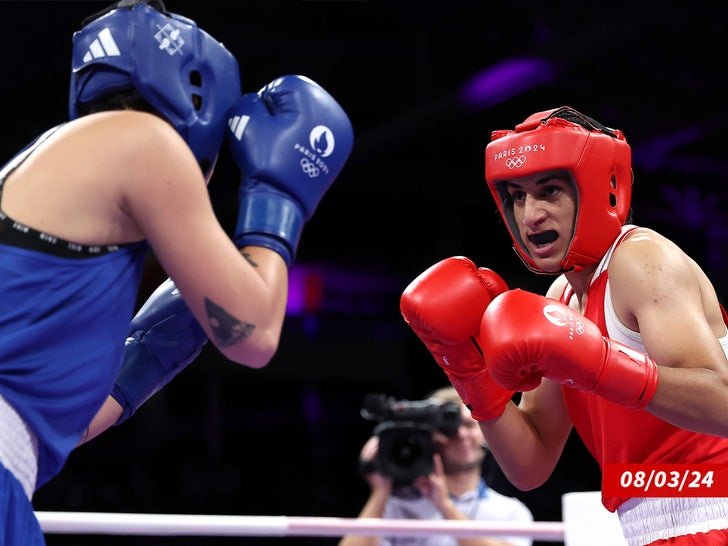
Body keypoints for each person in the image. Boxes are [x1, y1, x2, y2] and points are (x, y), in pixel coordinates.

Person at [0, 0, 353, 544]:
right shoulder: (144, 141)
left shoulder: (46, 174)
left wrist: (148, 351)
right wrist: (278, 195)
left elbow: (44, 427)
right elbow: (255, 335)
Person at [399, 106, 728, 546]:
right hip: (648, 526)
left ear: (598, 189)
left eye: (549, 191)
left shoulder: (642, 260)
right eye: (517, 196)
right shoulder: (562, 298)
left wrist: (601, 365)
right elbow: (529, 465)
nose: (530, 214)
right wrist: (464, 364)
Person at [339, 386, 534, 546]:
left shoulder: (510, 511)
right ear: (429, 437)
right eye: (448, 429)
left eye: (468, 425)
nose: (461, 435)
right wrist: (380, 490)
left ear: (485, 433)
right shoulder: (396, 507)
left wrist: (445, 506)